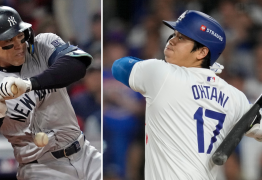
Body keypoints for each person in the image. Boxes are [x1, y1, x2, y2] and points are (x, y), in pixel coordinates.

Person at [112, 10, 262, 180]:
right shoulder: (235, 97)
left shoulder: (162, 74)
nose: (171, 41)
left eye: (181, 38)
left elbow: (120, 66)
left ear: (202, 53)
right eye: (174, 34)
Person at [0, 6, 100, 180]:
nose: (20, 46)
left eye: (21, 36)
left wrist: (29, 84)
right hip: (40, 168)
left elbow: (77, 65)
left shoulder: (41, 45)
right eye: (9, 42)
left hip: (85, 153)